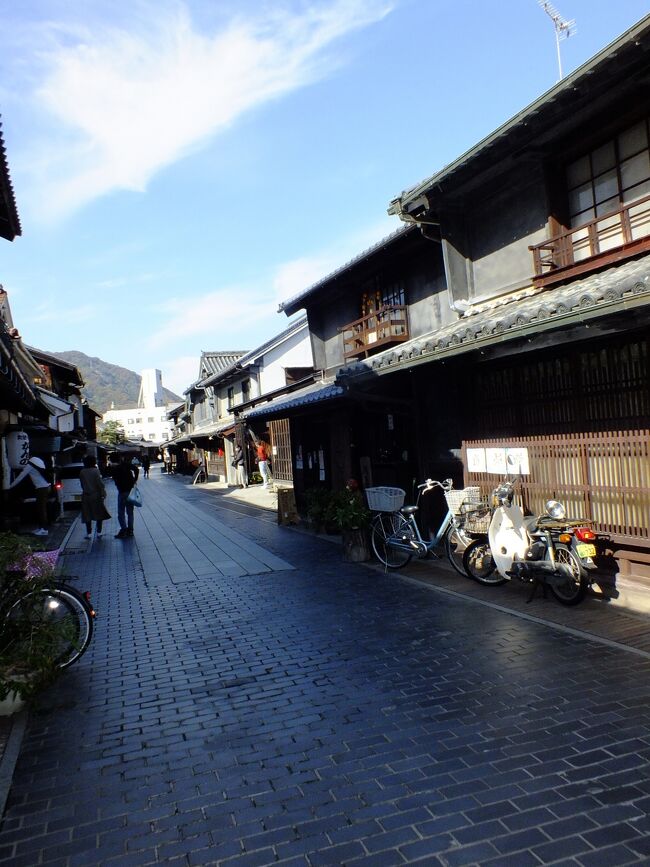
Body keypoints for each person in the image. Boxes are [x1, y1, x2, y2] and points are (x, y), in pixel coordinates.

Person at [8, 456, 51, 536]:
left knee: (41, 509)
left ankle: (44, 529)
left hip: (41, 489)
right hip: (45, 487)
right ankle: (41, 528)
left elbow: (20, 477)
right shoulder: (38, 462)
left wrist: (9, 486)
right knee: (40, 509)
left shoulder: (30, 465)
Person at [80, 455, 111, 539]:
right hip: (96, 495)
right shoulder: (96, 471)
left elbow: (82, 484)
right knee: (99, 514)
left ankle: (89, 533)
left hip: (86, 495)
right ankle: (99, 532)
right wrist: (103, 492)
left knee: (87, 515)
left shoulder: (82, 472)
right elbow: (100, 484)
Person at [111, 454, 138, 538]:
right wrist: (134, 480)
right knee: (130, 512)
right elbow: (136, 469)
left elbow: (114, 479)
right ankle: (130, 530)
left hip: (122, 492)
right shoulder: (126, 465)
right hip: (130, 491)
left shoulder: (114, 468)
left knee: (121, 512)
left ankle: (124, 530)